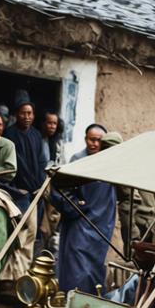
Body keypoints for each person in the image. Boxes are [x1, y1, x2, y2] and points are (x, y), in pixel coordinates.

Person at [53, 125, 117, 292]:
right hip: (80, 222)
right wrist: (76, 206)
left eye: (98, 140)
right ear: (85, 139)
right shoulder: (77, 160)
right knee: (76, 264)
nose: (94, 144)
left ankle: (92, 301)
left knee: (95, 265)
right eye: (91, 139)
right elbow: (63, 189)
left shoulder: (111, 163)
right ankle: (73, 300)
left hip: (102, 224)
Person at [3, 96, 48, 248]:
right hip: (19, 190)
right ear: (16, 114)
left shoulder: (36, 135)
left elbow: (42, 162)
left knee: (34, 232)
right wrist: (23, 188)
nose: (27, 117)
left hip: (36, 191)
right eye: (23, 113)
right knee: (19, 230)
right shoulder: (9, 134)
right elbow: (17, 165)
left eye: (30, 113)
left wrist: (40, 186)